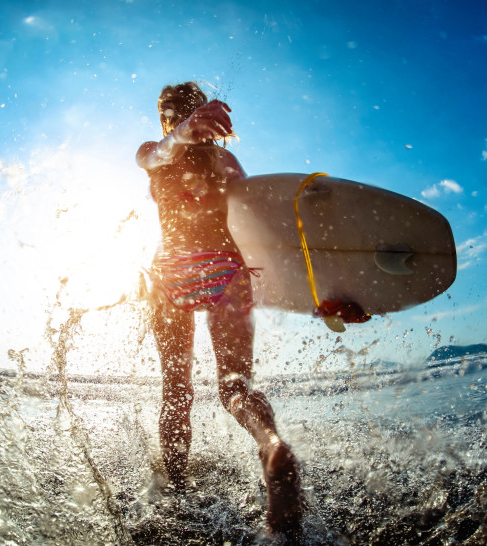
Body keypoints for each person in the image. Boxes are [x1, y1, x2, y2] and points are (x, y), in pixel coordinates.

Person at [136, 82, 303, 536]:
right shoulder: (223, 161)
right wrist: (323, 290)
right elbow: (263, 223)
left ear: (165, 117)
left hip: (171, 274)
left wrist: (179, 134)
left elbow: (155, 155)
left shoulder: (154, 153)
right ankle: (271, 445)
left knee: (176, 390)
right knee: (234, 385)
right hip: (225, 269)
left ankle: (176, 493)